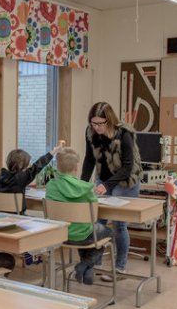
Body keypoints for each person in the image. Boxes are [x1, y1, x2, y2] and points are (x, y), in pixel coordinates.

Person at [81, 101, 142, 280]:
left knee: (118, 224)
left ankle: (120, 268)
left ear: (110, 121)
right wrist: (82, 185)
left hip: (126, 181)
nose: (97, 127)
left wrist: (106, 185)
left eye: (101, 123)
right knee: (99, 221)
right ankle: (96, 264)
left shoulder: (124, 134)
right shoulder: (90, 132)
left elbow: (127, 167)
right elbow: (89, 160)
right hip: (103, 178)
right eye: (94, 123)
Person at [46, 148, 114, 284]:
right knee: (109, 232)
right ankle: (85, 264)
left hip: (61, 235)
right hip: (83, 234)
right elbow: (94, 211)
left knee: (84, 232)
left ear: (58, 167)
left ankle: (86, 270)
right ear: (76, 167)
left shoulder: (51, 185)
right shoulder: (86, 188)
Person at [0, 141, 65, 214]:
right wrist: (54, 151)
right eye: (28, 164)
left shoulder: (1, 177)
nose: (29, 166)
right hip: (16, 219)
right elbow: (38, 165)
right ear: (21, 165)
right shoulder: (21, 178)